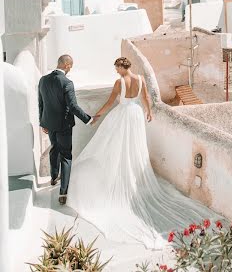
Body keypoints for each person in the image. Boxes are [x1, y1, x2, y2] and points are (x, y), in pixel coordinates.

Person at [67, 56, 212, 248]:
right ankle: (131, 175)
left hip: (123, 115)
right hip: (136, 116)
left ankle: (119, 175)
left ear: (121, 66)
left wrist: (96, 116)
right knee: (133, 148)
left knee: (116, 147)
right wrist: (149, 112)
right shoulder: (141, 79)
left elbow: (111, 102)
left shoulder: (120, 82)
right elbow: (145, 98)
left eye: (116, 67)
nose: (116, 71)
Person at [38, 55, 96, 205]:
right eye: (70, 65)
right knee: (66, 156)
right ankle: (63, 192)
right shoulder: (67, 83)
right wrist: (88, 119)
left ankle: (53, 177)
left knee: (54, 148)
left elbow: (41, 103)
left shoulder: (43, 80)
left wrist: (42, 122)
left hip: (49, 124)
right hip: (64, 125)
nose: (71, 68)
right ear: (66, 65)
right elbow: (73, 106)